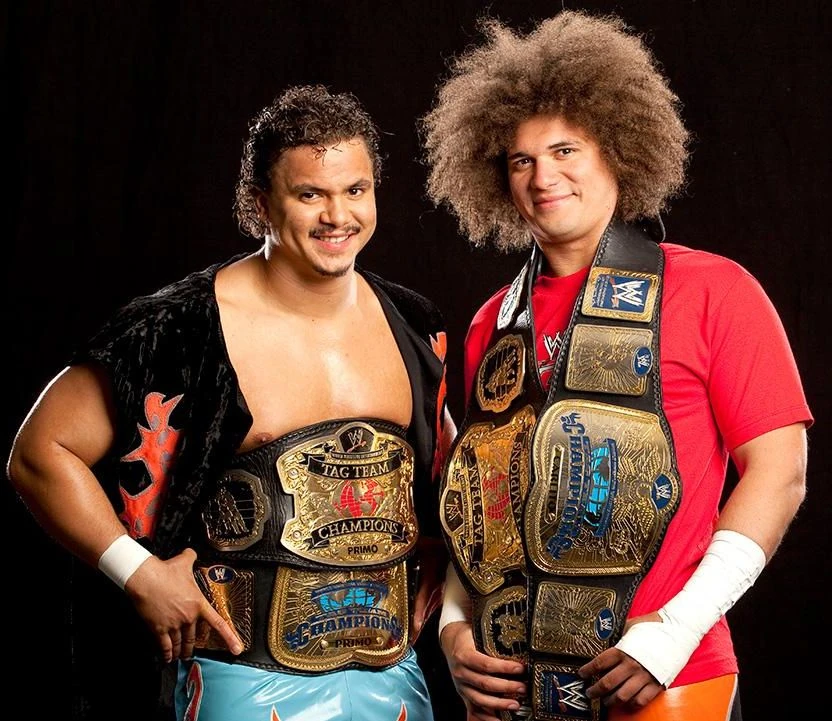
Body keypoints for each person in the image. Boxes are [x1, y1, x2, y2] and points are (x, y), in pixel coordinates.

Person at [7, 84, 453, 721]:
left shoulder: (412, 321)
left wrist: (441, 550)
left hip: (392, 670)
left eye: (355, 190)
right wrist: (138, 572)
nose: (338, 216)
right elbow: (38, 452)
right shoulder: (177, 329)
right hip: (241, 675)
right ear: (260, 203)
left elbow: (443, 464)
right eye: (310, 195)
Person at [419, 10, 811, 721]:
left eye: (566, 150)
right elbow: (479, 499)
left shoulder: (713, 289)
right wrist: (453, 628)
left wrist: (674, 631)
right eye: (521, 160)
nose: (544, 176)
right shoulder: (492, 322)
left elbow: (780, 472)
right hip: (517, 691)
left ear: (617, 150)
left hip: (668, 678)